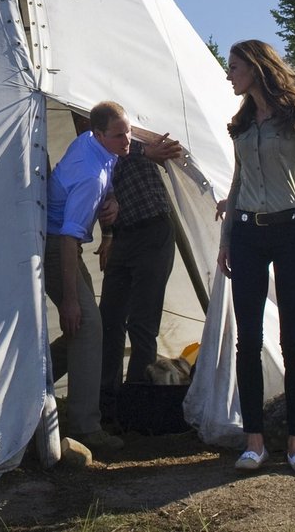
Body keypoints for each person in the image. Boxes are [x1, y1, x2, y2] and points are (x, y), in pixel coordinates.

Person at [217, 40, 295, 475]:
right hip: (248, 233)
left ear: (255, 67)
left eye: (234, 67)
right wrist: (225, 239)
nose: (229, 74)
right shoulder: (242, 123)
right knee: (247, 339)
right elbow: (237, 181)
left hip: (289, 230)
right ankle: (253, 442)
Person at [45, 101, 131, 452]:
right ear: (98, 134)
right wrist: (68, 300)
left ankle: (32, 381)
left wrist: (112, 199)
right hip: (56, 245)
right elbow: (67, 237)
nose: (128, 140)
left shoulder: (93, 145)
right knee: (85, 324)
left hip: (61, 242)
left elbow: (111, 164)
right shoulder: (88, 176)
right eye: (120, 135)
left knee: (86, 326)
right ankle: (84, 426)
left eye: (128, 131)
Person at [98, 132, 184, 426]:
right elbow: (102, 179)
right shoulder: (92, 140)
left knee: (142, 323)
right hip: (123, 236)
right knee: (108, 320)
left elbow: (128, 143)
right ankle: (108, 404)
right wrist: (108, 235)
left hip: (152, 230)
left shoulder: (130, 130)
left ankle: (138, 405)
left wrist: (143, 151)